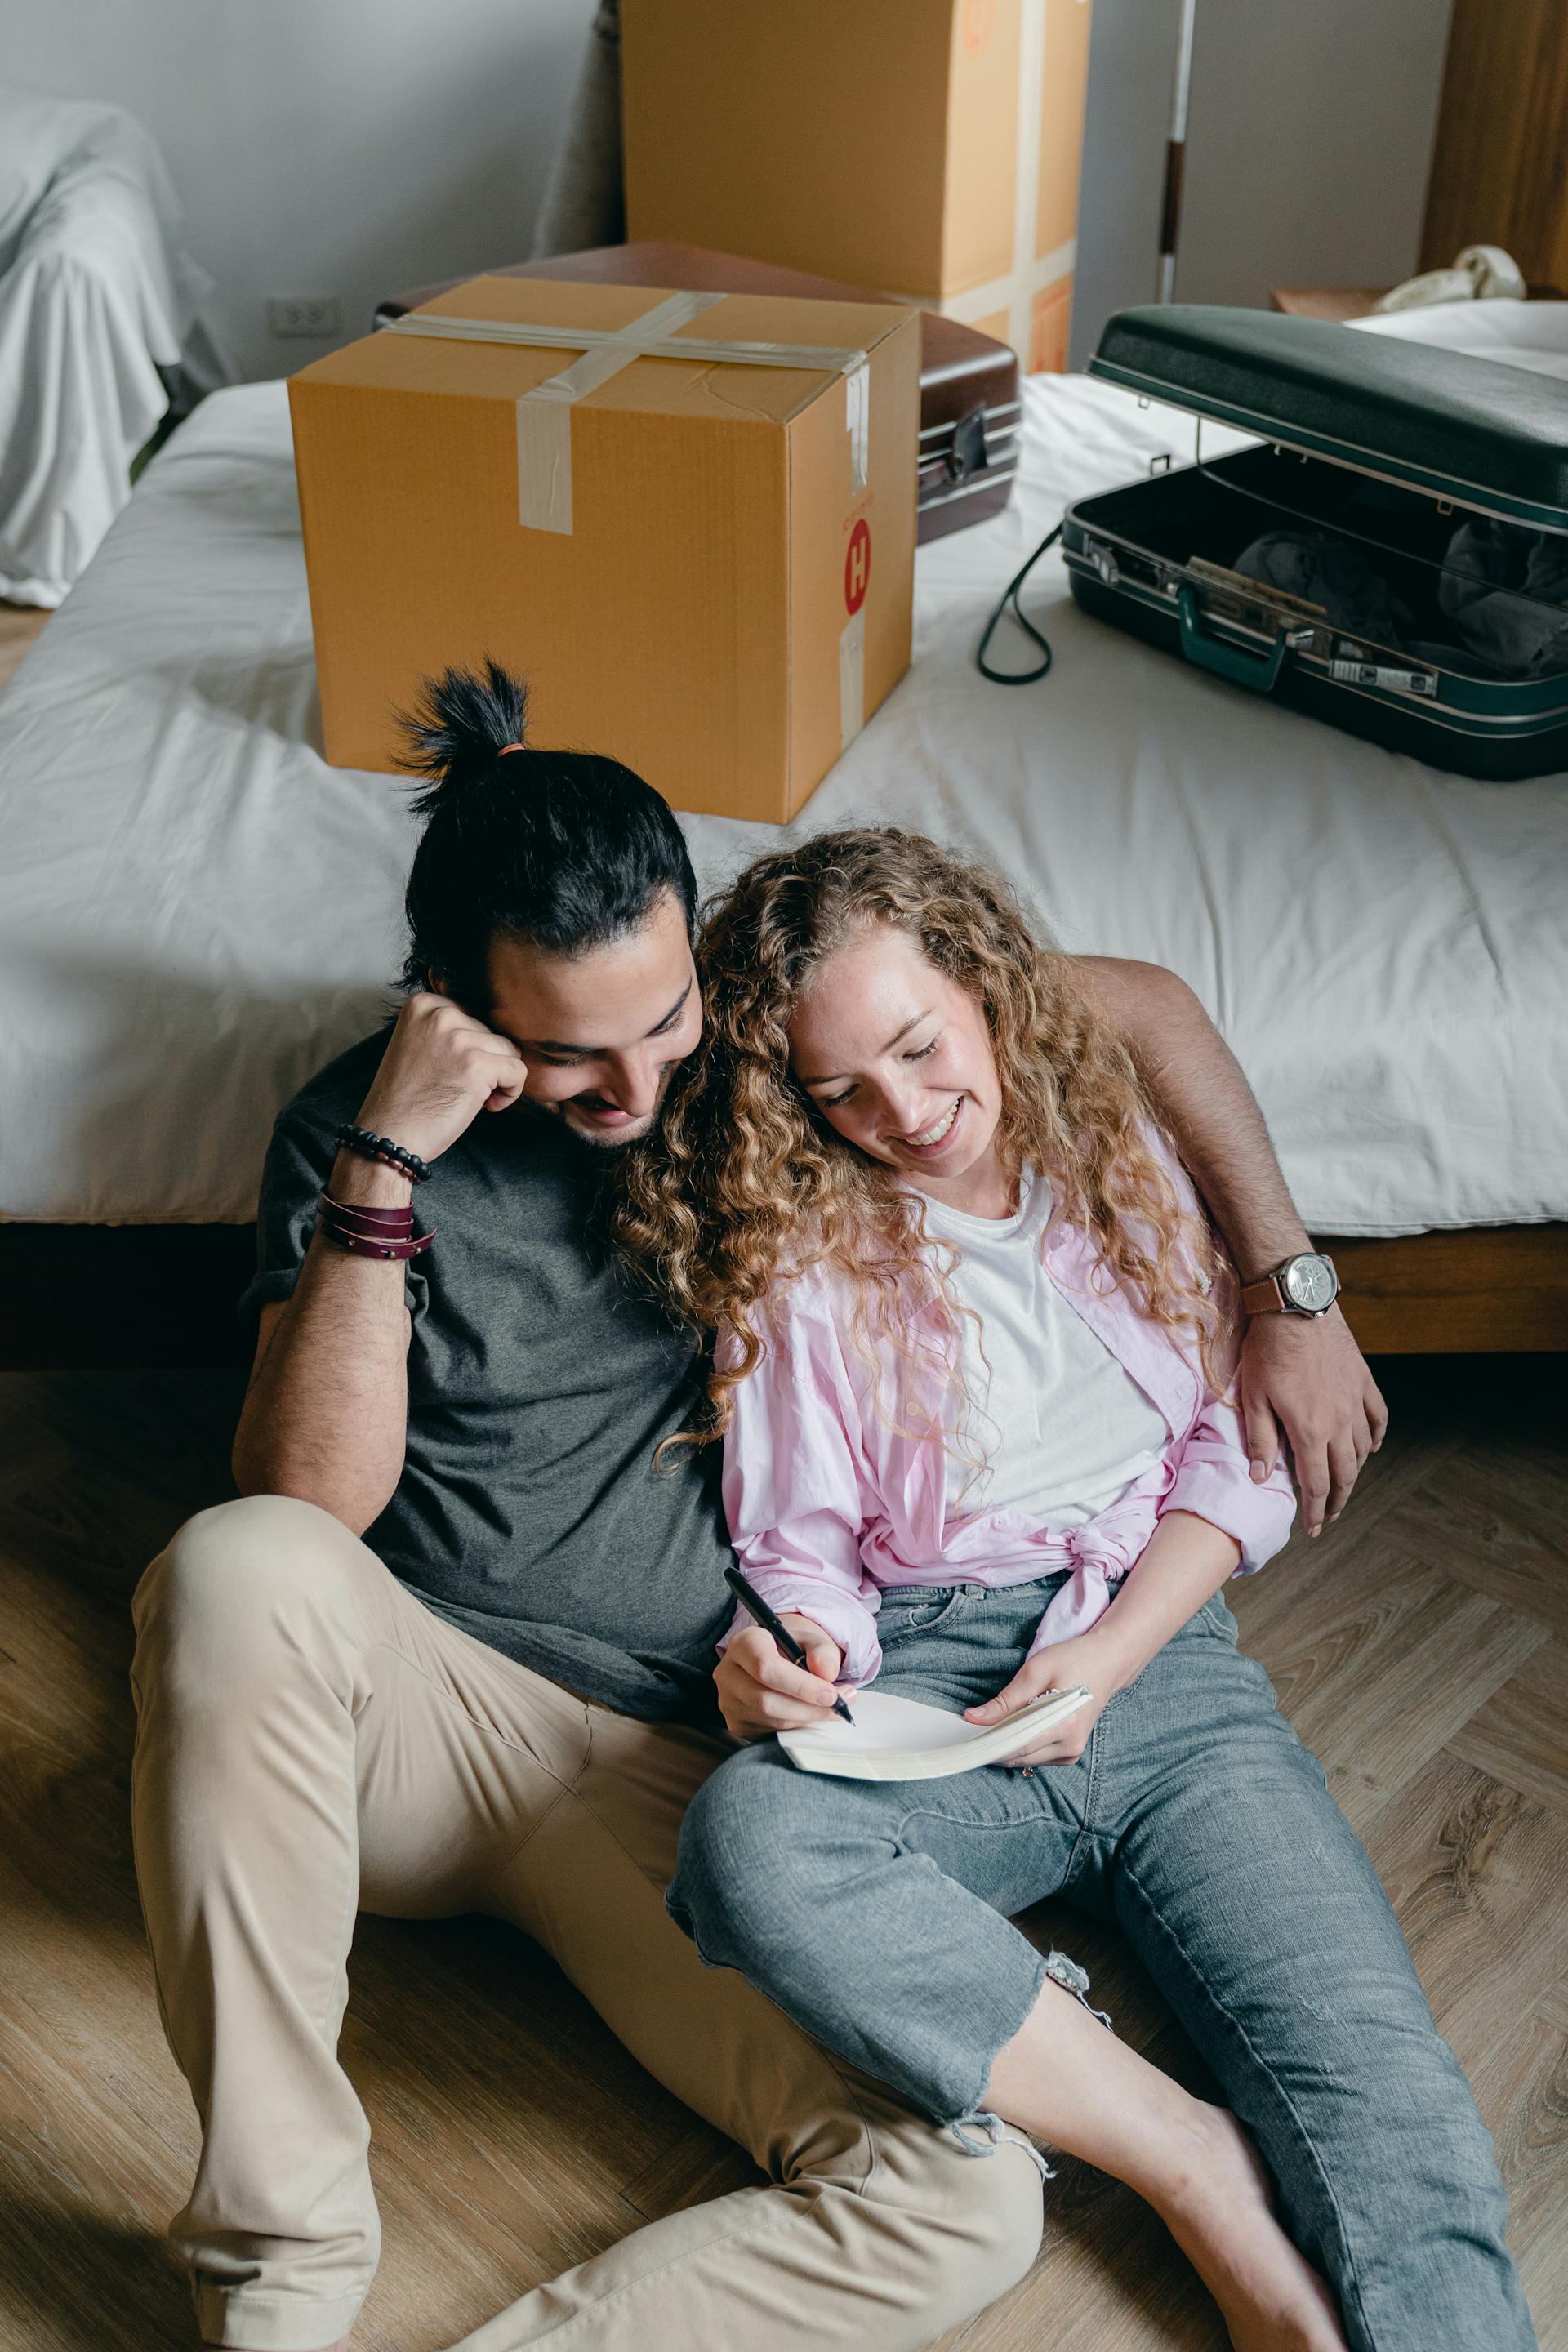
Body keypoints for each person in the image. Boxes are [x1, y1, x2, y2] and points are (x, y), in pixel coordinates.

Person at [131, 664, 1388, 2352]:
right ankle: (276, 2280)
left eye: (664, 1026)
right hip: (423, 1716)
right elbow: (309, 1500)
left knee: (963, 2204)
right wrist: (386, 1167)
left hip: (690, 1776)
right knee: (232, 1565)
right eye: (573, 1057)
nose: (639, 1088)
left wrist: (1286, 1290)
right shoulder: (356, 1139)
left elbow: (1139, 1008)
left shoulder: (759, 1051)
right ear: (452, 1001)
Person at [612, 826, 1537, 2352]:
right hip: (931, 1677)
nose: (898, 1115)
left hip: (1161, 1656)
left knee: (1382, 2095)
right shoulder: (799, 1255)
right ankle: (1180, 2150)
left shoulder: (1122, 1151)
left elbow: (1234, 1451)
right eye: (839, 1091)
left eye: (917, 1048)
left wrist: (1111, 1653)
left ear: (986, 985)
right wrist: (798, 1655)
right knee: (752, 1842)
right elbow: (801, 1542)